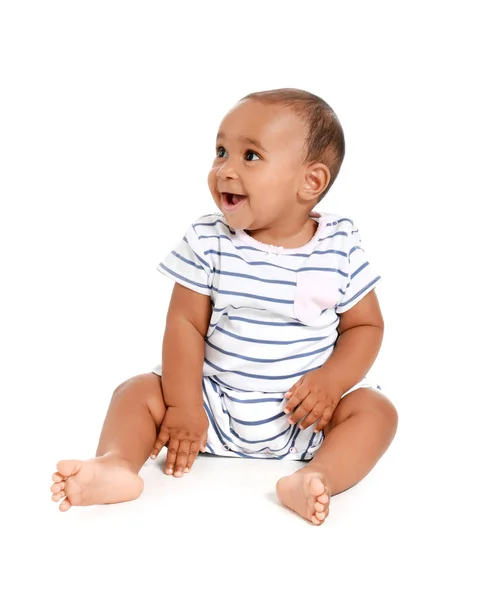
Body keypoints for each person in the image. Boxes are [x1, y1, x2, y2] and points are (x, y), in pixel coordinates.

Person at [50, 88, 398, 525]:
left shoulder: (339, 244)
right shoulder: (208, 239)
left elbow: (366, 327)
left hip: (307, 416)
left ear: (310, 181)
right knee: (136, 391)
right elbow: (184, 324)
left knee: (376, 413)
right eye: (220, 151)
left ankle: (318, 477)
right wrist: (182, 406)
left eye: (250, 156)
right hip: (210, 409)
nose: (225, 170)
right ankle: (116, 464)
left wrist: (332, 381)